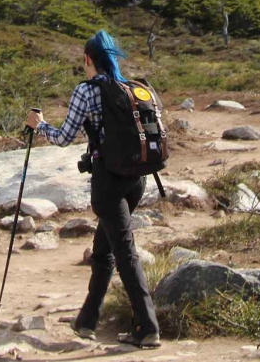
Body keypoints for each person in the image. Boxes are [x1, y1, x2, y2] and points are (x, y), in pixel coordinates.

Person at [27, 31, 161, 348]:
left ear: (88, 59)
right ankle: (87, 320)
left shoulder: (86, 91)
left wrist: (39, 125)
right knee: (104, 250)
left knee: (124, 252)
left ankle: (148, 326)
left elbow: (62, 137)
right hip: (137, 179)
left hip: (108, 181)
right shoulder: (135, 89)